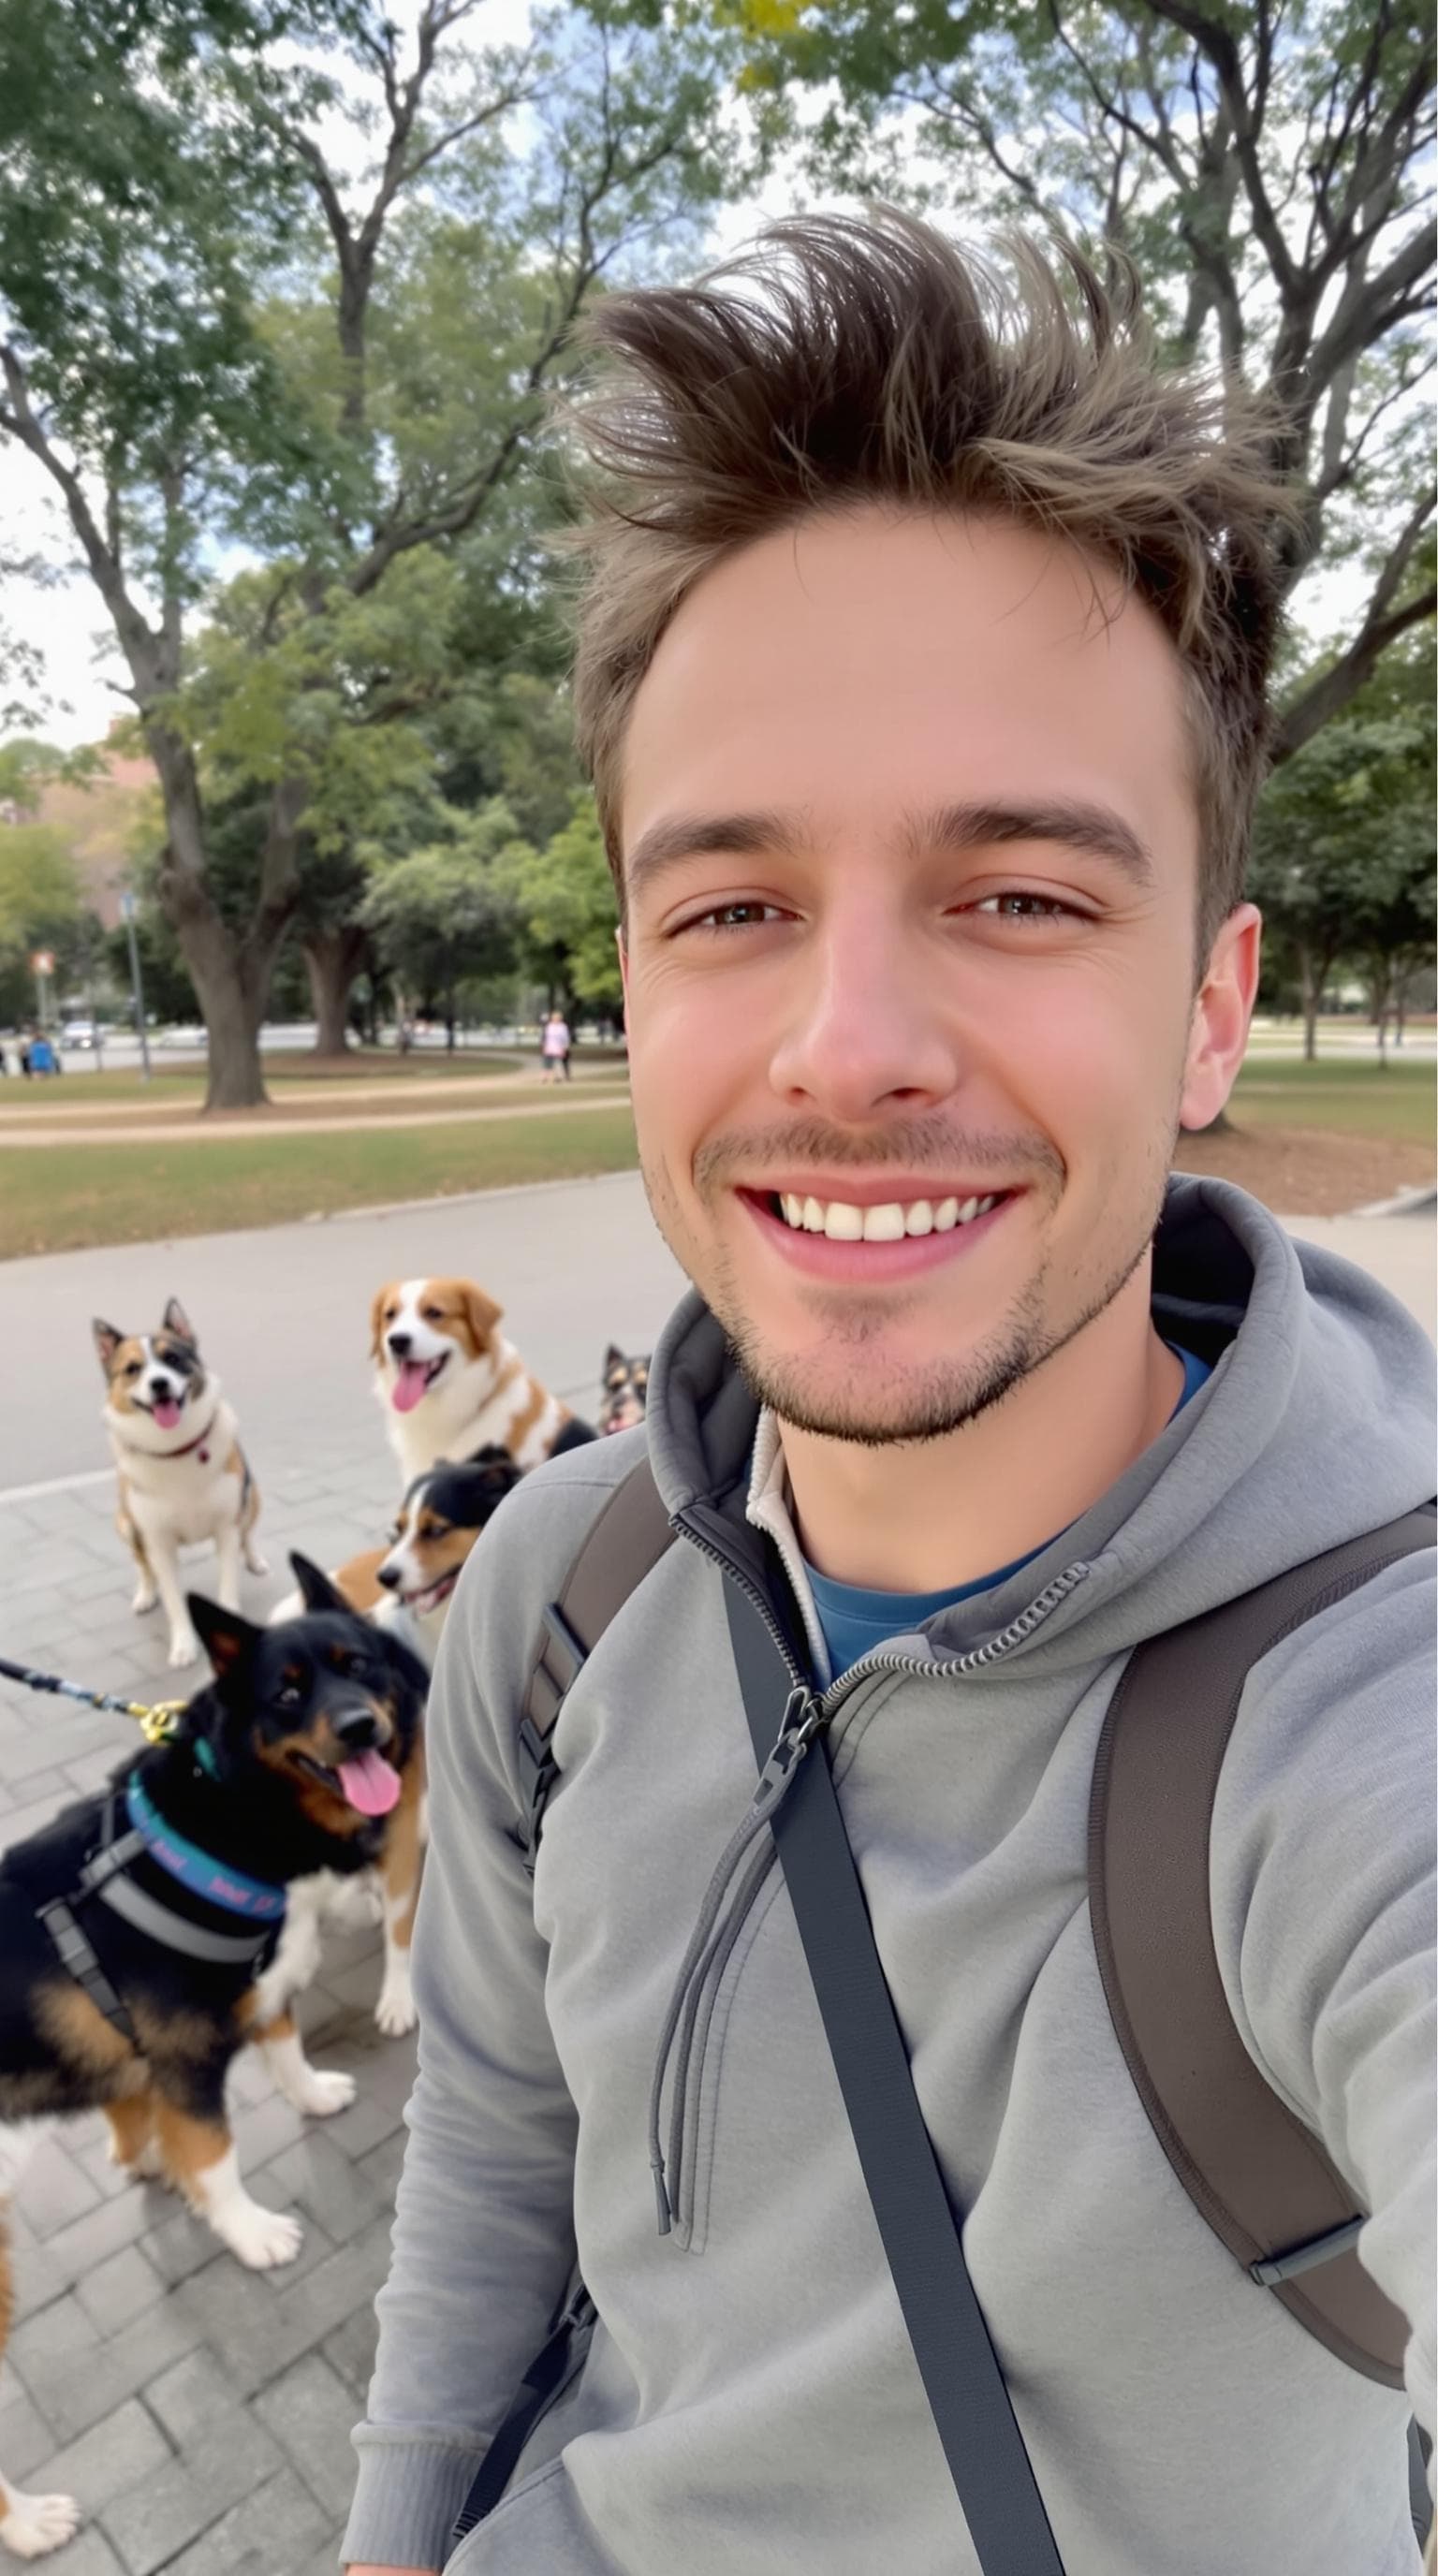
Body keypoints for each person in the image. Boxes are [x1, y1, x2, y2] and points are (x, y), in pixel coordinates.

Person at [344, 215, 1434, 2576]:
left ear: (1213, 1010)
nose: (845, 1046)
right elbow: (495, 2144)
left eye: (1023, 896)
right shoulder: (554, 1581)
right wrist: (391, 2531)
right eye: (730, 907)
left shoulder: (1366, 1718)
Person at [541, 1005, 572, 1082]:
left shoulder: (563, 1027)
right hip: (549, 1047)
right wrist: (544, 1046)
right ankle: (545, 1077)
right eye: (554, 1018)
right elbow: (546, 1037)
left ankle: (557, 1077)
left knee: (557, 1063)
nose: (556, 1019)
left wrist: (565, 1047)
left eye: (557, 1018)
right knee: (547, 1063)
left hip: (559, 1047)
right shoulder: (549, 1026)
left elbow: (565, 1038)